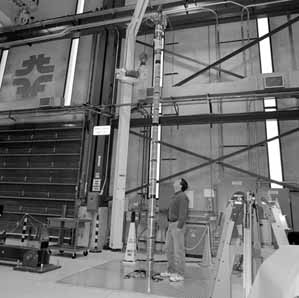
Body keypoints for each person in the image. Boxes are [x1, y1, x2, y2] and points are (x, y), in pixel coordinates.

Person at [161, 178, 189, 282]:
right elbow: (172, 210)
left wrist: (179, 226)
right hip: (171, 224)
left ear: (180, 185)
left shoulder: (182, 196)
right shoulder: (175, 196)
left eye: (177, 181)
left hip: (178, 225)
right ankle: (171, 270)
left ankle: (180, 274)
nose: (175, 181)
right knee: (169, 249)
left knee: (178, 250)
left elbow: (183, 213)